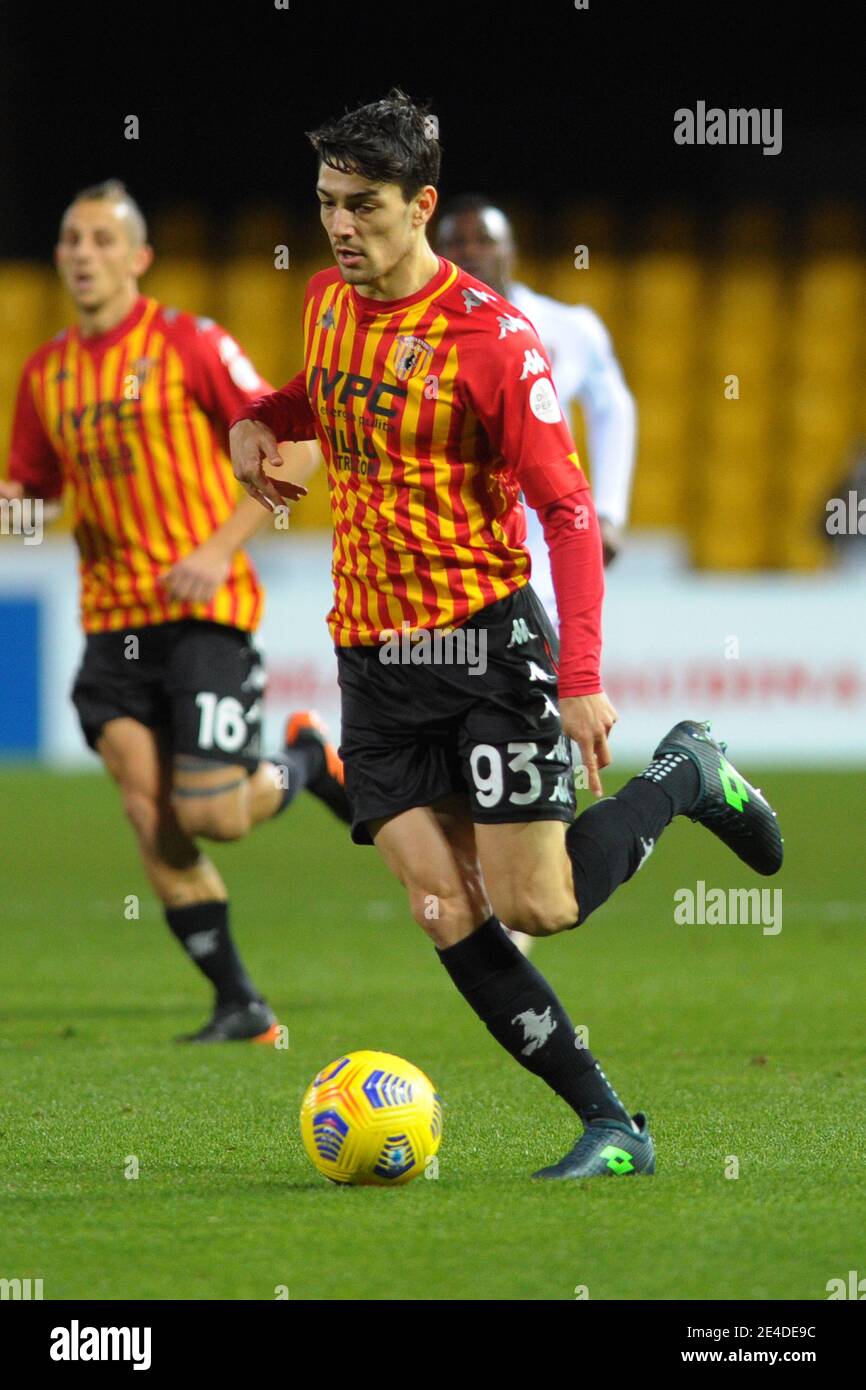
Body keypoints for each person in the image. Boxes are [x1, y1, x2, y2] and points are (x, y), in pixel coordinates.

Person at [230, 91, 783, 1178]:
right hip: (373, 657)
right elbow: (321, 400)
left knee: (542, 903)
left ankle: (683, 770)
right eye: (328, 203)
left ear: (420, 204)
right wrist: (262, 415)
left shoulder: (491, 339)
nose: (340, 226)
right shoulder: (327, 303)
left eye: (364, 206)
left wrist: (578, 676)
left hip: (483, 647)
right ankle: (611, 1123)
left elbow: (569, 511)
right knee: (442, 902)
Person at [1, 180, 348, 1044]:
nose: (82, 254)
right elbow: (32, 499)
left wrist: (219, 547)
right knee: (148, 812)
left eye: (101, 240)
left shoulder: (189, 344)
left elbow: (298, 447)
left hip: (205, 617)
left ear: (138, 258)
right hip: (109, 626)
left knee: (212, 816)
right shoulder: (46, 374)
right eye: (71, 239)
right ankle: (240, 1004)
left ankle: (306, 759)